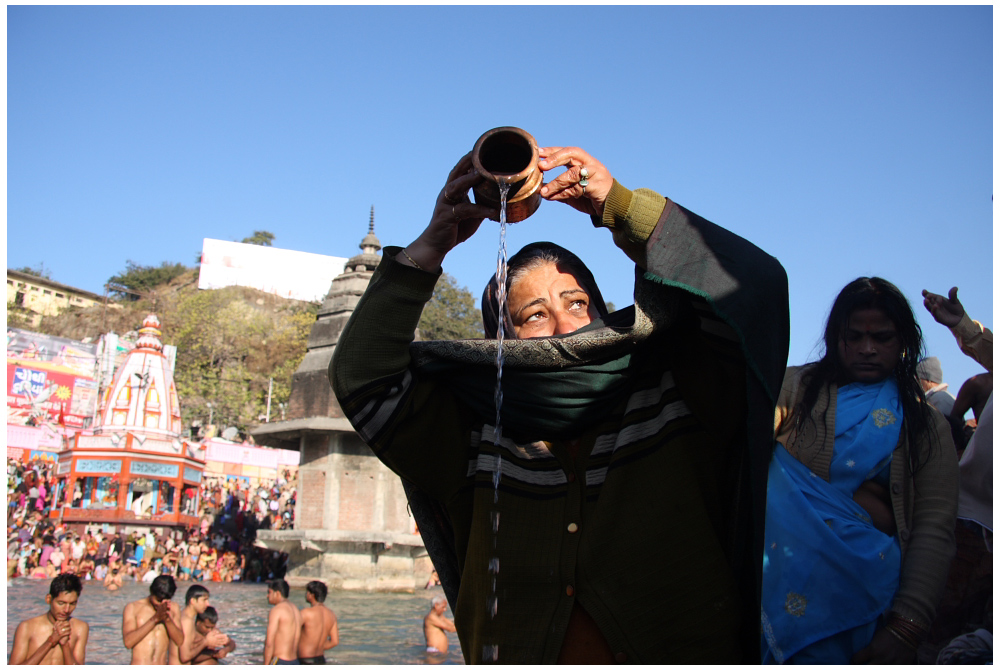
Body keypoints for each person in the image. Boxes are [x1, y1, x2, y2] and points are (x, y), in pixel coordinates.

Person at [330, 145, 789, 663]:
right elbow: (362, 380)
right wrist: (433, 244)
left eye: (577, 304)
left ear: (602, 311)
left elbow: (756, 289)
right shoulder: (475, 427)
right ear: (498, 338)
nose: (565, 326)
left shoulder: (675, 389)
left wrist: (617, 206)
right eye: (533, 314)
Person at [762, 277, 959, 663]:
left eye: (882, 338)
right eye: (855, 337)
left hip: (864, 600)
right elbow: (746, 447)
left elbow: (934, 527)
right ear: (838, 338)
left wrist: (907, 628)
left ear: (903, 342)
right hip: (769, 583)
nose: (868, 349)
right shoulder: (795, 387)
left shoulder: (926, 425)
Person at [9, 573, 90, 664]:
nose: (66, 610)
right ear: (48, 599)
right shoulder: (27, 627)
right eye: (61, 603)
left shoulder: (81, 628)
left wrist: (65, 645)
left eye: (72, 604)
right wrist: (50, 641)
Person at [122, 574, 184, 664]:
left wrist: (167, 619)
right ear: (151, 592)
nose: (161, 604)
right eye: (158, 600)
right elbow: (128, 643)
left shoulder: (174, 609)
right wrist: (155, 619)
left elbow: (179, 641)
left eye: (166, 600)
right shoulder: (133, 608)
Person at [297, 580, 339, 664]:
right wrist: (318, 646)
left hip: (305, 659)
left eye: (307, 592)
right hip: (320, 659)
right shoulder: (331, 614)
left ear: (312, 595)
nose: (306, 594)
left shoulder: (305, 613)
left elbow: (291, 634)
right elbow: (335, 641)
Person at [264, 578, 301, 665]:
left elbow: (269, 642)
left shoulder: (277, 610)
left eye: (269, 592)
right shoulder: (296, 610)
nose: (267, 596)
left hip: (280, 660)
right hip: (295, 661)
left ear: (277, 594)